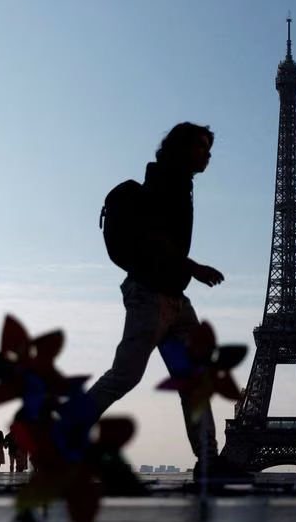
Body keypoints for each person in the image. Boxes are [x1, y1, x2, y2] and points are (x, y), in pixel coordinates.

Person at [86, 123, 240, 479]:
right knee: (125, 376)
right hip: (149, 296)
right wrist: (193, 267)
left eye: (208, 147)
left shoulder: (178, 185)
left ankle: (208, 459)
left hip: (175, 298)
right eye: (201, 146)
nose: (208, 153)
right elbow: (151, 239)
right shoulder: (163, 185)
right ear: (180, 148)